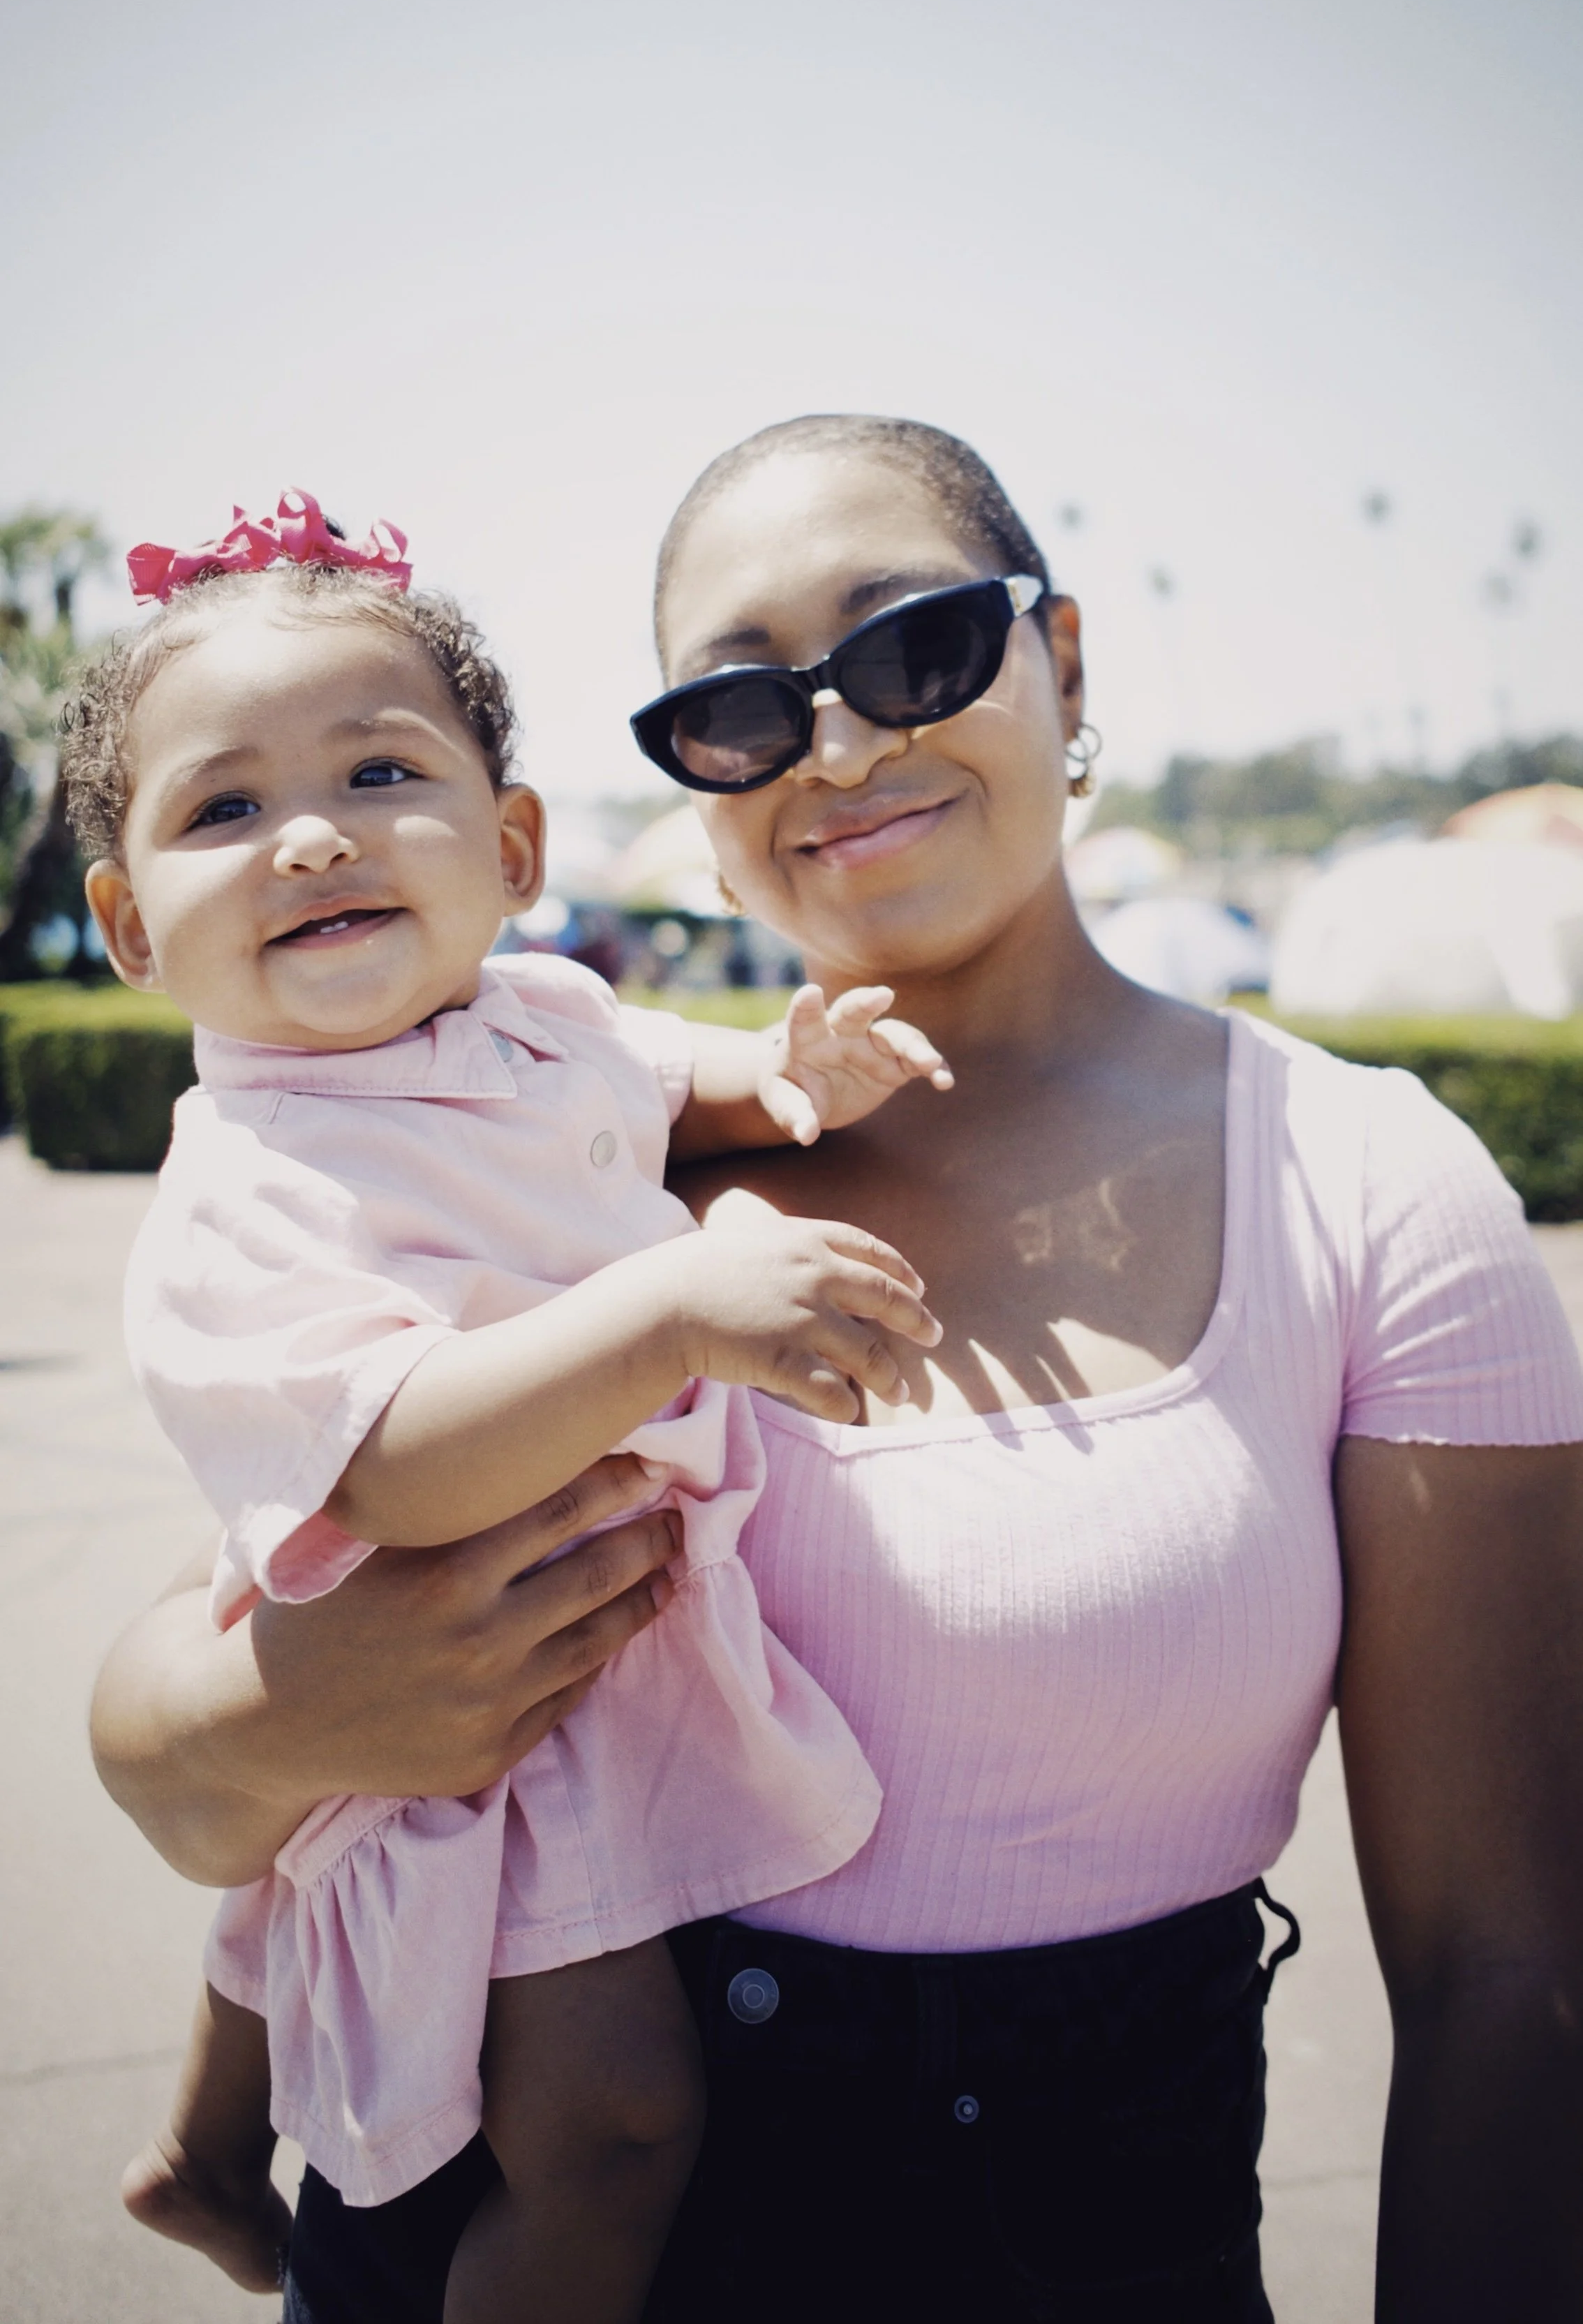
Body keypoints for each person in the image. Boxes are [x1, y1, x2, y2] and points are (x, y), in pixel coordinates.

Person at [92, 420, 1583, 2322]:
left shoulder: (1358, 1181)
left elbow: (1506, 1974)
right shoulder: (535, 1146)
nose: (842, 745)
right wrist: (265, 1724)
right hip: (474, 2227)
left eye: (916, 649)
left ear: (1061, 662)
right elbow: (191, 1693)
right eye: (738, 708)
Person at [63, 487, 953, 2322]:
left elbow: (669, 1077)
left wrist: (788, 1066)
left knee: (333, 1915)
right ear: (131, 929)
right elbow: (389, 1467)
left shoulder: (545, 1016)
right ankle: (230, 2164)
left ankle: (207, 2155)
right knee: (613, 2125)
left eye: (381, 773)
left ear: (515, 842)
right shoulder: (250, 1185)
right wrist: (668, 1315)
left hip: (570, 1626)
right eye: (224, 810)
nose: (314, 837)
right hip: (485, 1692)